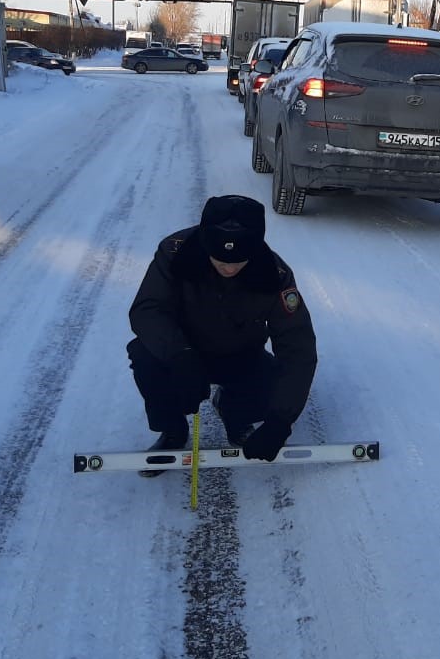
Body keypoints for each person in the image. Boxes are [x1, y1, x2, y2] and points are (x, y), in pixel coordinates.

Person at [126, 194, 317, 469]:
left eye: (239, 262)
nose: (229, 267)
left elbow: (297, 346)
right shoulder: (174, 253)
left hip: (239, 354)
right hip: (182, 353)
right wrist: (179, 353)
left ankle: (234, 413)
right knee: (143, 354)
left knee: (273, 386)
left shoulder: (275, 274)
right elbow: (147, 309)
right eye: (220, 260)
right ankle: (172, 431)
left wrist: (281, 421)